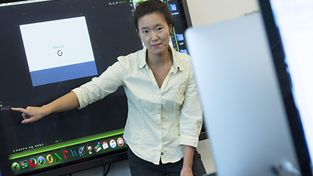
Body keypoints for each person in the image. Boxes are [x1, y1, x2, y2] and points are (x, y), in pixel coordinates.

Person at [12, 0, 206, 175]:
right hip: (143, 158)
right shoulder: (127, 66)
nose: (153, 37)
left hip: (181, 155)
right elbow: (89, 91)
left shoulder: (189, 66)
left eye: (159, 28)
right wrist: (44, 110)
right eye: (145, 31)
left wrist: (187, 168)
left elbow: (191, 119)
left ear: (170, 27)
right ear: (138, 33)